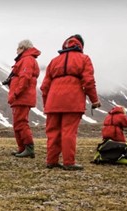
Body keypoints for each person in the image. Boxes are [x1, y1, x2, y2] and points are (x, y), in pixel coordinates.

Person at [40, 34, 101, 170]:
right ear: (80, 45)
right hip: (73, 101)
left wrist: (46, 104)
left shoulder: (54, 61)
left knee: (52, 132)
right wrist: (94, 100)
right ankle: (69, 162)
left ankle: (51, 161)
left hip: (53, 101)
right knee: (69, 132)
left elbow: (44, 87)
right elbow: (89, 81)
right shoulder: (84, 59)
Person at [6, 39, 41, 158]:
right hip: (20, 97)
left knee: (21, 122)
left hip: (21, 97)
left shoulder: (27, 60)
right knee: (18, 123)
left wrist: (16, 93)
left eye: (18, 48)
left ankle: (29, 148)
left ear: (23, 48)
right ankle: (22, 148)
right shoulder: (26, 59)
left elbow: (25, 78)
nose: (16, 50)